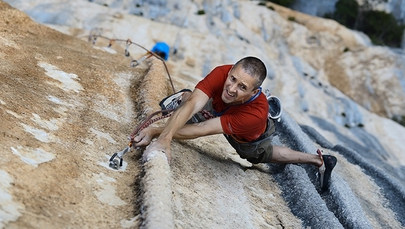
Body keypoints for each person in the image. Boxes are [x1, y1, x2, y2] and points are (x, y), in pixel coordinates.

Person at [133, 56, 337, 191]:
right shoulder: (221, 74)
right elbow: (196, 103)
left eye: (242, 86)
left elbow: (203, 130)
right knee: (193, 101)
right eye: (232, 78)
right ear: (230, 70)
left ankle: (318, 161)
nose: (231, 87)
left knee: (261, 155)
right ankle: (185, 96)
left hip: (250, 139)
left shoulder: (253, 114)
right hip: (226, 110)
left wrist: (158, 132)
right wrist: (165, 136)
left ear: (254, 91)